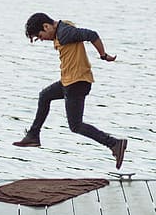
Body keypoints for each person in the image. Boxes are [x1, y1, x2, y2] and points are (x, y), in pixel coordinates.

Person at [13, 12, 128, 169]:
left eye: (40, 36)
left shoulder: (65, 32)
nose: (42, 40)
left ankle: (114, 144)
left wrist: (103, 55)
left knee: (76, 125)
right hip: (69, 81)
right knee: (45, 95)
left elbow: (92, 35)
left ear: (46, 26)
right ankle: (33, 135)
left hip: (76, 83)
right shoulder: (62, 27)